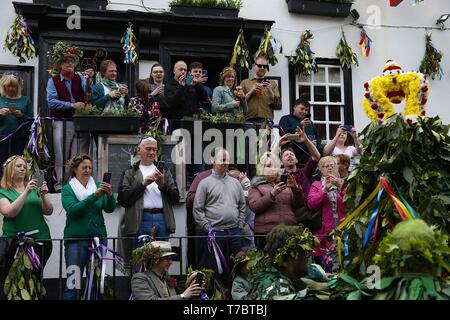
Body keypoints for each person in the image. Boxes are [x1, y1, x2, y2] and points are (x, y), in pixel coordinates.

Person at [117, 136, 180, 266]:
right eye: (148, 149)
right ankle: (139, 285)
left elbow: (175, 198)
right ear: (139, 150)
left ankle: (159, 285)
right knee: (139, 260)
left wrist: (162, 185)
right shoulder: (129, 172)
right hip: (140, 220)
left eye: (154, 150)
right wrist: (143, 184)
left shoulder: (164, 171)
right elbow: (123, 199)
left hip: (162, 218)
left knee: (162, 259)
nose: (151, 152)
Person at [61, 154, 116, 300]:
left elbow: (109, 209)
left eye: (90, 167)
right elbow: (73, 210)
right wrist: (94, 197)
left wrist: (110, 196)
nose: (88, 170)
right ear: (74, 169)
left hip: (98, 241)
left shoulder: (98, 185)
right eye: (84, 167)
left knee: (96, 283)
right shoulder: (67, 189)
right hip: (76, 242)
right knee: (73, 283)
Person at [0, 155, 53, 299]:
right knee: (12, 281)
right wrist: (25, 192)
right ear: (10, 169)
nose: (23, 168)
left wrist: (43, 196)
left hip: (40, 241)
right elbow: (9, 212)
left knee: (35, 280)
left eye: (24, 166)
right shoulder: (3, 191)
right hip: (13, 243)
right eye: (18, 166)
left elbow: (49, 211)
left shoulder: (34, 187)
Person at [192, 147, 246, 281]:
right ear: (212, 160)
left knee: (238, 268)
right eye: (222, 159)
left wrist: (240, 224)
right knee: (215, 270)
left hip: (234, 232)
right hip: (215, 233)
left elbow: (242, 206)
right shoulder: (204, 183)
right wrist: (207, 227)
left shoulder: (236, 183)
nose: (225, 162)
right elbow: (198, 209)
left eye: (227, 159)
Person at [46, 44, 94, 191]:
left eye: (72, 61)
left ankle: (74, 184)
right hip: (61, 121)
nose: (70, 64)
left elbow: (88, 95)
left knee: (77, 155)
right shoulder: (53, 81)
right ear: (60, 64)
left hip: (79, 122)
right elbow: (51, 102)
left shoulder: (80, 78)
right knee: (61, 154)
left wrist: (89, 80)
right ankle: (60, 185)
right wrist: (71, 105)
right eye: (66, 61)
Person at [245, 225, 321, 300]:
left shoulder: (280, 276)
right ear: (291, 256)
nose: (307, 258)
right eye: (304, 252)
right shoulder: (276, 287)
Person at [249, 152, 304, 249]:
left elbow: (298, 204)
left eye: (275, 166)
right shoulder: (256, 185)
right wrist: (272, 195)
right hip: (267, 232)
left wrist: (296, 189)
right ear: (261, 168)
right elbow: (254, 206)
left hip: (289, 230)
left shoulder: (285, 183)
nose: (272, 169)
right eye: (268, 166)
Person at [307, 156, 346, 271]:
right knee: (328, 264)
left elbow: (352, 201)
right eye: (326, 166)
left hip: (344, 227)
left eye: (332, 165)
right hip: (325, 232)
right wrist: (324, 190)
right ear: (321, 170)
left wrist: (339, 186)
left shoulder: (344, 182)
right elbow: (311, 204)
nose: (329, 168)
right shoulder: (316, 185)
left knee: (344, 258)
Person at [131, 241, 203, 300]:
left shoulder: (167, 280)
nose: (170, 262)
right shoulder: (139, 279)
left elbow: (177, 298)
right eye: (166, 259)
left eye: (171, 259)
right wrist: (183, 296)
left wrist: (192, 290)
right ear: (155, 260)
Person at [0, 74, 33, 170]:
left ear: (17, 87)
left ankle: (16, 185)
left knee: (17, 164)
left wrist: (21, 116)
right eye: (8, 86)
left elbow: (31, 121)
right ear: (4, 87)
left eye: (13, 86)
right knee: (2, 164)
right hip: (2, 138)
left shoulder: (26, 100)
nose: (10, 88)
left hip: (19, 138)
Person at [279, 99, 322, 167]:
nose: (304, 112)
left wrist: (316, 143)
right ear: (294, 107)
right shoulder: (285, 118)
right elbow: (282, 132)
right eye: (302, 109)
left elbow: (318, 136)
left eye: (306, 110)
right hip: (291, 159)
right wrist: (300, 125)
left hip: (308, 160)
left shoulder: (310, 123)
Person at [279, 127, 321, 197]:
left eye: (292, 154)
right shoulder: (279, 175)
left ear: (296, 160)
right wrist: (279, 143)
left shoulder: (304, 172)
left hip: (306, 206)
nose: (289, 156)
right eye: (286, 155)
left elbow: (316, 156)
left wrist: (306, 140)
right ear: (281, 162)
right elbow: (268, 160)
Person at [240, 55, 280, 123]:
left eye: (265, 66)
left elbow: (278, 104)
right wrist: (251, 91)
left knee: (264, 134)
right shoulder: (245, 82)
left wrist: (270, 91)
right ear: (254, 66)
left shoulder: (272, 83)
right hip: (249, 120)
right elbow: (240, 103)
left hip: (266, 121)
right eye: (259, 65)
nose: (262, 68)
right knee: (250, 134)